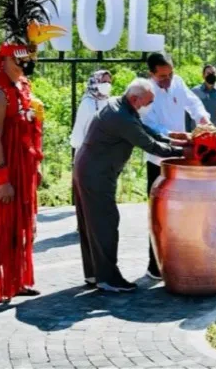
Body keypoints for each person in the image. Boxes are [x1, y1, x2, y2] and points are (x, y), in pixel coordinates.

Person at [0, 0, 65, 304]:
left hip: (22, 170)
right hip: (2, 170)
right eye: (20, 60)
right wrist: (3, 179)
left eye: (28, 61)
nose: (26, 66)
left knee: (21, 225)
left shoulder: (21, 89)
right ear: (5, 60)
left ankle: (17, 279)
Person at [74, 79, 192, 292]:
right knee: (105, 223)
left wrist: (178, 141)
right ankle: (108, 278)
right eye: (148, 102)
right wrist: (186, 153)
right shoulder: (121, 117)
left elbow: (147, 130)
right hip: (96, 174)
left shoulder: (120, 105)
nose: (149, 106)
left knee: (93, 223)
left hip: (90, 168)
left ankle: (95, 274)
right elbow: (151, 146)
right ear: (135, 98)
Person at [140, 52, 211, 280]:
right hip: (158, 161)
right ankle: (155, 264)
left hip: (181, 159)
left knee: (181, 213)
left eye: (170, 74)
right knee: (158, 215)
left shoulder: (178, 82)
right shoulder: (144, 91)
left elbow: (193, 102)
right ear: (151, 74)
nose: (168, 80)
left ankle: (178, 260)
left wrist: (202, 118)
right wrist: (172, 136)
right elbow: (147, 125)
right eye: (162, 77)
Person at [70, 70, 113, 151]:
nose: (107, 85)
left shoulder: (109, 102)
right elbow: (79, 127)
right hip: (88, 151)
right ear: (96, 82)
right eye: (103, 82)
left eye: (109, 82)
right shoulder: (87, 103)